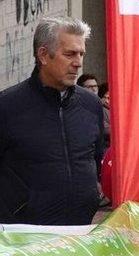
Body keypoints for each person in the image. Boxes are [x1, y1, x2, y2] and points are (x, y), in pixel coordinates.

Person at [0, 18, 106, 226]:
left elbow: (95, 159)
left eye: (81, 54)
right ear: (43, 55)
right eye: (69, 54)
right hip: (23, 238)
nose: (78, 62)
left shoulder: (91, 105)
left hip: (80, 232)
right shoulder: (7, 107)